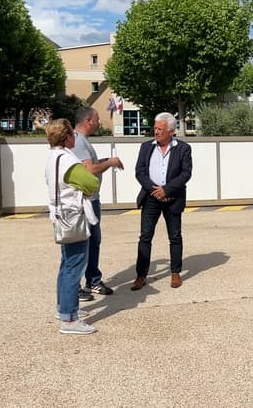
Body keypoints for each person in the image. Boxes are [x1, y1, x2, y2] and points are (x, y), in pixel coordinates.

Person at [45, 119, 100, 334]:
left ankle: (63, 309)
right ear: (67, 137)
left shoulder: (53, 157)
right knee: (75, 265)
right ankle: (69, 319)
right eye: (72, 135)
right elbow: (91, 183)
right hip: (73, 216)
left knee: (66, 262)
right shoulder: (68, 160)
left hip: (60, 215)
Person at [131, 112, 192, 291]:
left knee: (174, 236)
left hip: (173, 198)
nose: (156, 132)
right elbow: (139, 171)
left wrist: (166, 189)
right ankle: (141, 275)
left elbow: (186, 174)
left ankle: (175, 273)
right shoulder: (146, 147)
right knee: (145, 236)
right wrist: (154, 190)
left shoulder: (183, 148)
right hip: (151, 198)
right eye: (155, 128)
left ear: (171, 131)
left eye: (160, 129)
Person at [72, 107, 123, 298]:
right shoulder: (78, 141)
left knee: (93, 242)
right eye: (97, 119)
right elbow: (89, 170)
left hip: (92, 199)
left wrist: (104, 161)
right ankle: (76, 286)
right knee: (82, 243)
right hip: (84, 202)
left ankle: (93, 280)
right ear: (88, 121)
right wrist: (109, 162)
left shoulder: (82, 141)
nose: (99, 122)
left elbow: (90, 166)